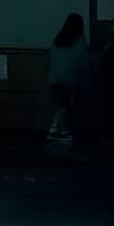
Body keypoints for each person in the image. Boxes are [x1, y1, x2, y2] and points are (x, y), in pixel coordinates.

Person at [47, 12, 91, 142]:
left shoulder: (58, 40)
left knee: (62, 105)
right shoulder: (79, 41)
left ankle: (63, 129)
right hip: (69, 80)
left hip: (55, 79)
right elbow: (82, 65)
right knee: (65, 106)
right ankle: (54, 129)